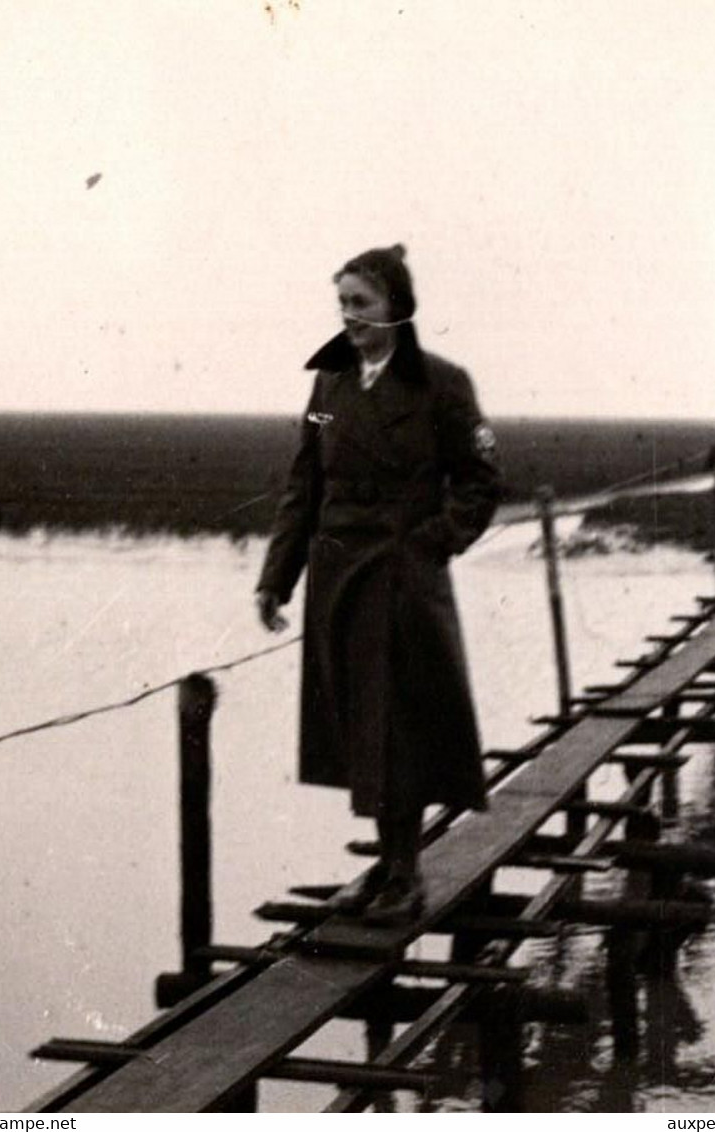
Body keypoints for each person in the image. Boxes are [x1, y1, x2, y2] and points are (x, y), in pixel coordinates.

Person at [255, 244, 501, 926]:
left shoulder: (441, 384)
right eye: (342, 304)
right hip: (339, 578)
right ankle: (388, 869)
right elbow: (304, 482)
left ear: (398, 307)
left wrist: (431, 545)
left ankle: (406, 875)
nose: (349, 318)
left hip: (402, 580)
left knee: (403, 727)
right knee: (362, 727)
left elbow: (481, 484)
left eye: (361, 304)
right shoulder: (330, 386)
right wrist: (276, 580)